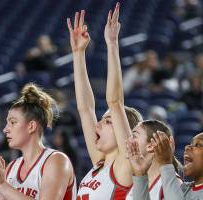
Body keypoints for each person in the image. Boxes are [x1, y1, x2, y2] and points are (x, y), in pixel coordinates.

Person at [67, 3, 142, 199]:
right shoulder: (99, 163)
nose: (98, 124)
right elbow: (85, 108)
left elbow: (115, 102)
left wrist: (112, 44)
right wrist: (78, 54)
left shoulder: (124, 166)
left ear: (123, 128)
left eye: (108, 121)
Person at [0, 83, 76, 200]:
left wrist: (1, 185)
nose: (5, 129)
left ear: (31, 126)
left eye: (12, 122)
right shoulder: (12, 167)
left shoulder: (57, 160)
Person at [126, 120, 183, 200]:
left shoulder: (174, 184)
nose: (128, 140)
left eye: (134, 136)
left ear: (151, 146)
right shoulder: (135, 179)